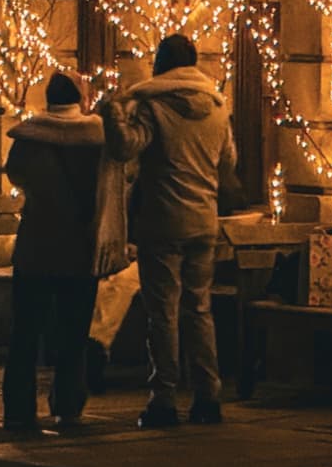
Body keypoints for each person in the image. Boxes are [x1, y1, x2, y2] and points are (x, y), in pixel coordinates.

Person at [98, 33, 236, 428]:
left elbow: (126, 148)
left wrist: (113, 112)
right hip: (204, 220)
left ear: (161, 63)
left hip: (162, 220)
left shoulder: (152, 105)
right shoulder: (217, 105)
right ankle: (209, 395)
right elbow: (228, 162)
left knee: (164, 313)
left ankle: (164, 398)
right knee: (200, 308)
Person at [1, 71, 104, 432]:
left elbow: (15, 174)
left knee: (25, 332)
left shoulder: (30, 137)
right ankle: (68, 404)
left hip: (36, 246)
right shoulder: (96, 138)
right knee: (74, 332)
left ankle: (18, 408)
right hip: (80, 246)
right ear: (81, 98)